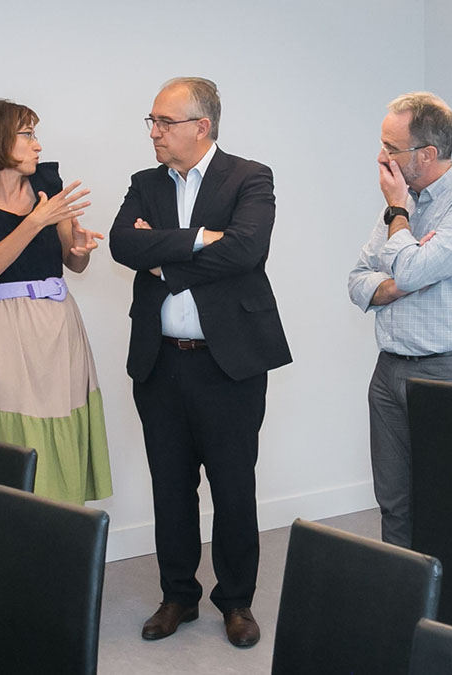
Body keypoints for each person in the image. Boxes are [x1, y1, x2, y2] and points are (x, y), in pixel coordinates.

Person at [110, 77, 292, 648]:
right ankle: (178, 596)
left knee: (234, 488)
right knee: (171, 485)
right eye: (153, 122)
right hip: (160, 363)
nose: (155, 132)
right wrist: (197, 240)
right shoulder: (144, 183)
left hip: (229, 363)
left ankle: (236, 601)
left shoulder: (249, 176)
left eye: (164, 122)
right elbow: (122, 245)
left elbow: (247, 249)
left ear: (201, 127)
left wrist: (165, 258)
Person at [0, 99, 112, 505]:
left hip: (58, 323)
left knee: (61, 423)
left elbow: (73, 262)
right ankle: (11, 530)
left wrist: (81, 250)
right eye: (28, 135)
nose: (38, 146)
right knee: (9, 432)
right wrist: (35, 221)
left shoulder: (48, 183)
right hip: (3, 328)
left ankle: (63, 527)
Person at [348, 91, 452, 548]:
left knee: (451, 503)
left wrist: (398, 217)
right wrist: (400, 281)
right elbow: (358, 282)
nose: (381, 157)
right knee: (394, 502)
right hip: (389, 370)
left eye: (391, 148)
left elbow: (409, 267)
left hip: (451, 371)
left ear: (428, 154)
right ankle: (404, 607)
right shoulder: (405, 202)